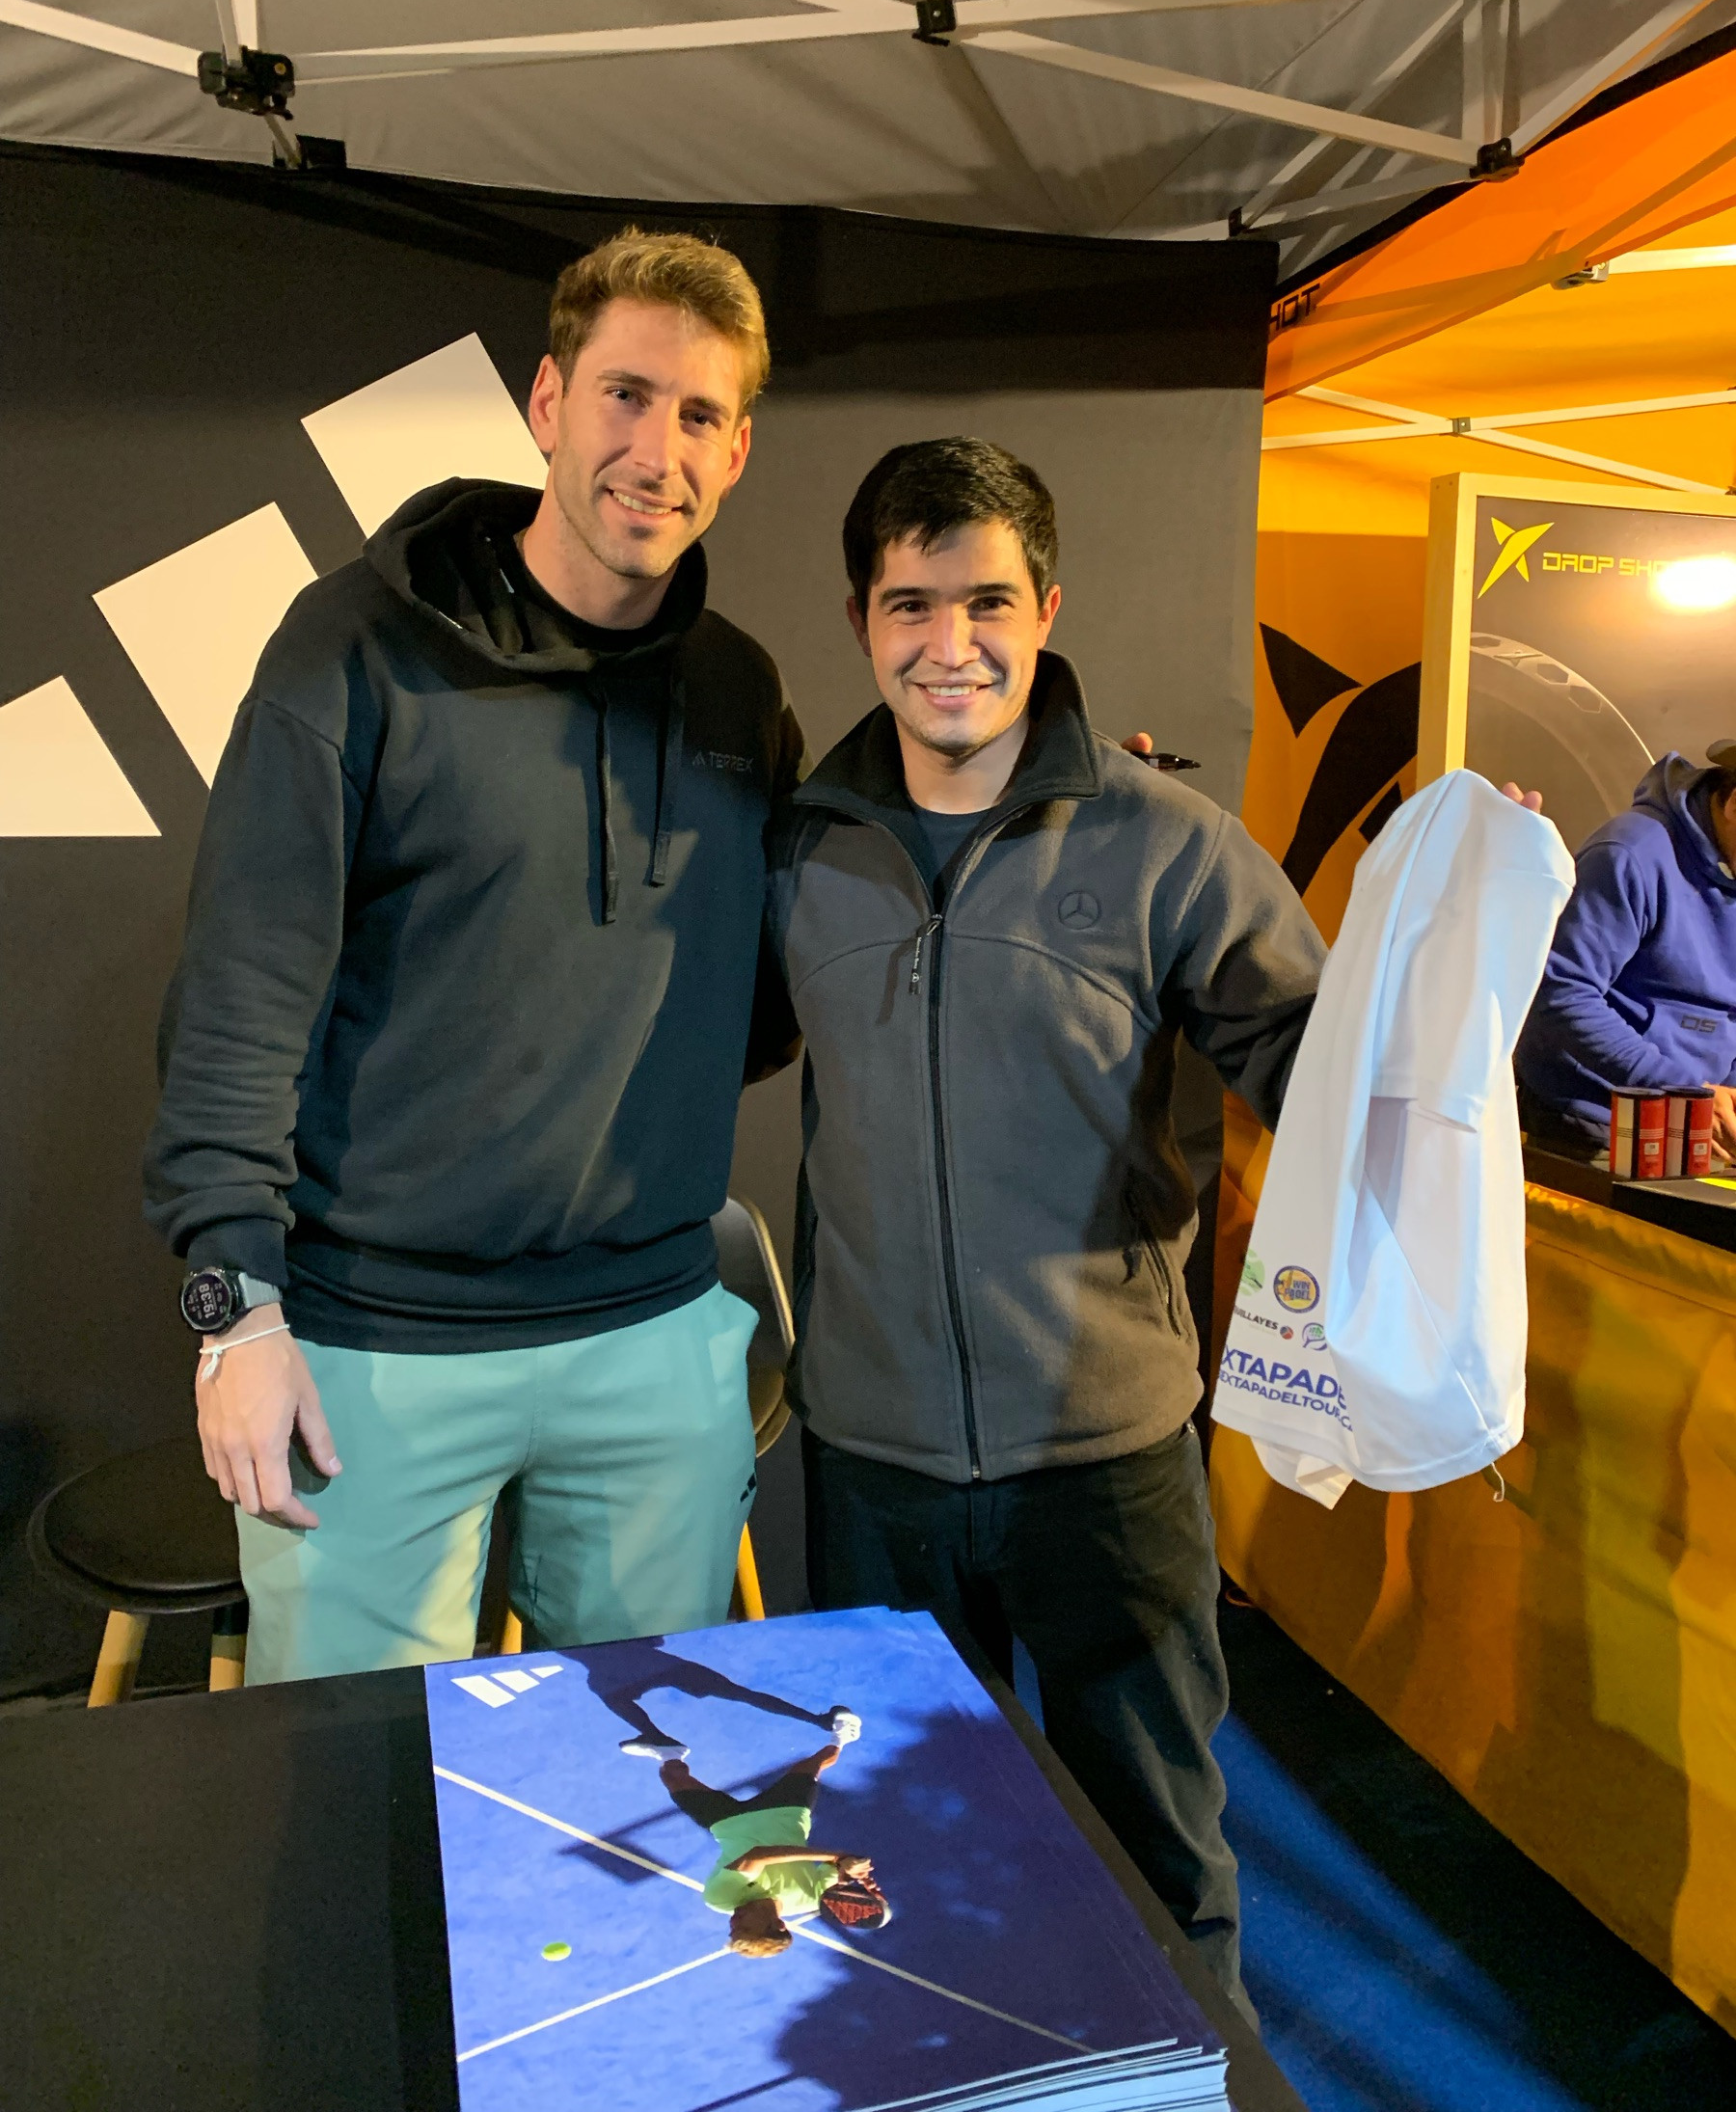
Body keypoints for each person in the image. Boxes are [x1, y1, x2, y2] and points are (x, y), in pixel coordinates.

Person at [145, 230, 803, 1682]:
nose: (657, 451)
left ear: (738, 450)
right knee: (356, 1776)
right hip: (373, 1351)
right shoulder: (352, 646)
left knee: (645, 1774)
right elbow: (241, 994)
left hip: (651, 1335)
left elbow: (772, 984)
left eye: (700, 415)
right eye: (627, 396)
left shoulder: (737, 690)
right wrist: (231, 1316)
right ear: (548, 401)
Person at [763, 436, 1329, 2020]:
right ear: (863, 621)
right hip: (873, 1467)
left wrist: (1454, 946)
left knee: (1159, 1874)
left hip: (1106, 1463)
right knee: (899, 1871)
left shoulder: (1166, 842)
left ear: (1048, 608)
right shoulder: (798, 847)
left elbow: (1327, 1071)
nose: (951, 644)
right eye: (911, 604)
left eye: (988, 602)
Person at [1516, 742, 1736, 1163]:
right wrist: (1681, 1090)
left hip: (1699, 1126)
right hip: (1601, 1127)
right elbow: (1559, 993)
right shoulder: (1629, 855)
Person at [658, 1738, 887, 1957]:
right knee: (816, 1762)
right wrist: (849, 1866)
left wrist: (839, 1856)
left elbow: (758, 1856)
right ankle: (840, 1736)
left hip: (726, 1821)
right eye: (744, 1927)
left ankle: (671, 1752)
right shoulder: (810, 1898)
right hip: (786, 1812)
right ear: (778, 1925)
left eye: (732, 1929)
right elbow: (836, 1866)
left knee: (672, 1777)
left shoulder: (721, 1899)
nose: (733, 1921)